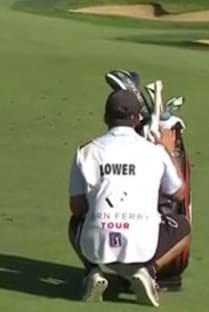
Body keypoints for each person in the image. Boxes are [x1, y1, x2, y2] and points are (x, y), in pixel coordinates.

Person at [67, 89, 191, 307]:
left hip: (95, 244)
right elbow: (179, 193)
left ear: (105, 117)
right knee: (183, 227)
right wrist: (169, 151)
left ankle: (93, 272)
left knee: (75, 222)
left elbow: (77, 208)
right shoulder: (155, 152)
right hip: (143, 244)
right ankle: (146, 272)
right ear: (136, 119)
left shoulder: (85, 152)